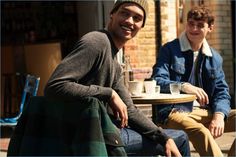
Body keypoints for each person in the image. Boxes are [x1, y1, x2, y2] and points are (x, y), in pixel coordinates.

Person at [43, 0, 190, 156]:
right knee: (180, 137)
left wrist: (163, 137)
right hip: (87, 136)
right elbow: (54, 87)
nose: (129, 21)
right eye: (124, 13)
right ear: (112, 14)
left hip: (100, 130)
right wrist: (108, 93)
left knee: (167, 139)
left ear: (141, 26)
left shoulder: (114, 57)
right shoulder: (96, 41)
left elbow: (130, 111)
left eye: (137, 18)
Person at [151, 5, 236, 157]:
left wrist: (219, 115)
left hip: (205, 111)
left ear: (210, 27)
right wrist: (183, 86)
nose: (194, 28)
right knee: (201, 132)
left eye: (200, 25)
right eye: (191, 23)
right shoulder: (169, 49)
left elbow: (221, 92)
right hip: (173, 112)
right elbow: (157, 80)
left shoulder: (214, 58)